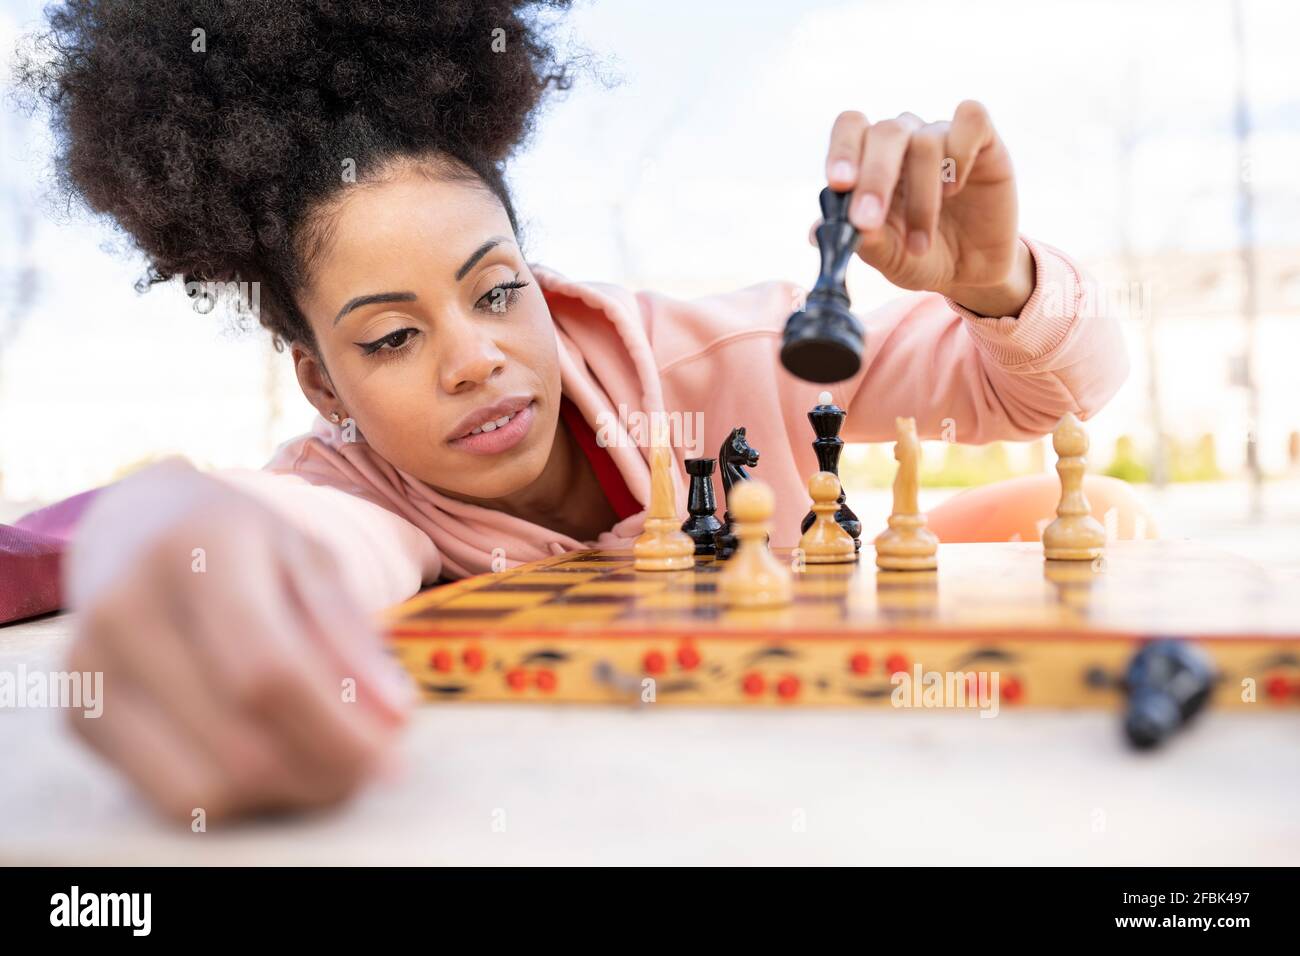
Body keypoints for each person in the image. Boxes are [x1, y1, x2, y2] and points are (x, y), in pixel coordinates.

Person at [19, 0, 1134, 820]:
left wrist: (997, 284)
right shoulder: (349, 487)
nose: (474, 359)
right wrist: (165, 537)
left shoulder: (743, 355)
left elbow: (1041, 388)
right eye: (392, 337)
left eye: (496, 290)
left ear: (537, 278)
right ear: (321, 384)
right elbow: (285, 534)